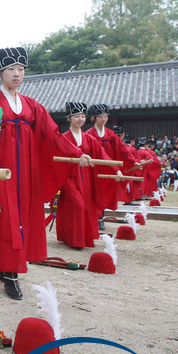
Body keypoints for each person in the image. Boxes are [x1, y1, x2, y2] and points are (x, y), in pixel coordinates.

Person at [0, 48, 91, 300]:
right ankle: (10, 273)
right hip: (1, 172)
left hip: (26, 176)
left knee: (22, 218)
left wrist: (76, 153)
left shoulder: (33, 106)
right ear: (0, 73)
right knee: (4, 218)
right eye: (11, 69)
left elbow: (53, 135)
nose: (17, 74)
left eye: (21, 69)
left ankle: (7, 265)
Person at [54, 102, 119, 249]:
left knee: (86, 206)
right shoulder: (63, 138)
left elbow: (103, 156)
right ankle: (75, 240)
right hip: (69, 176)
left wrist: (116, 170)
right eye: (76, 116)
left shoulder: (89, 139)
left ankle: (80, 237)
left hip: (86, 178)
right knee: (77, 205)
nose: (80, 119)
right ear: (69, 118)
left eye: (83, 116)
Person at [87, 105, 137, 229]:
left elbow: (122, 149)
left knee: (104, 193)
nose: (103, 119)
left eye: (105, 117)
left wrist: (133, 161)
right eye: (100, 117)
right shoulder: (89, 134)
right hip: (93, 167)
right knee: (93, 192)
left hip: (108, 167)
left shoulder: (110, 134)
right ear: (94, 118)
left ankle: (101, 216)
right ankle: (95, 217)